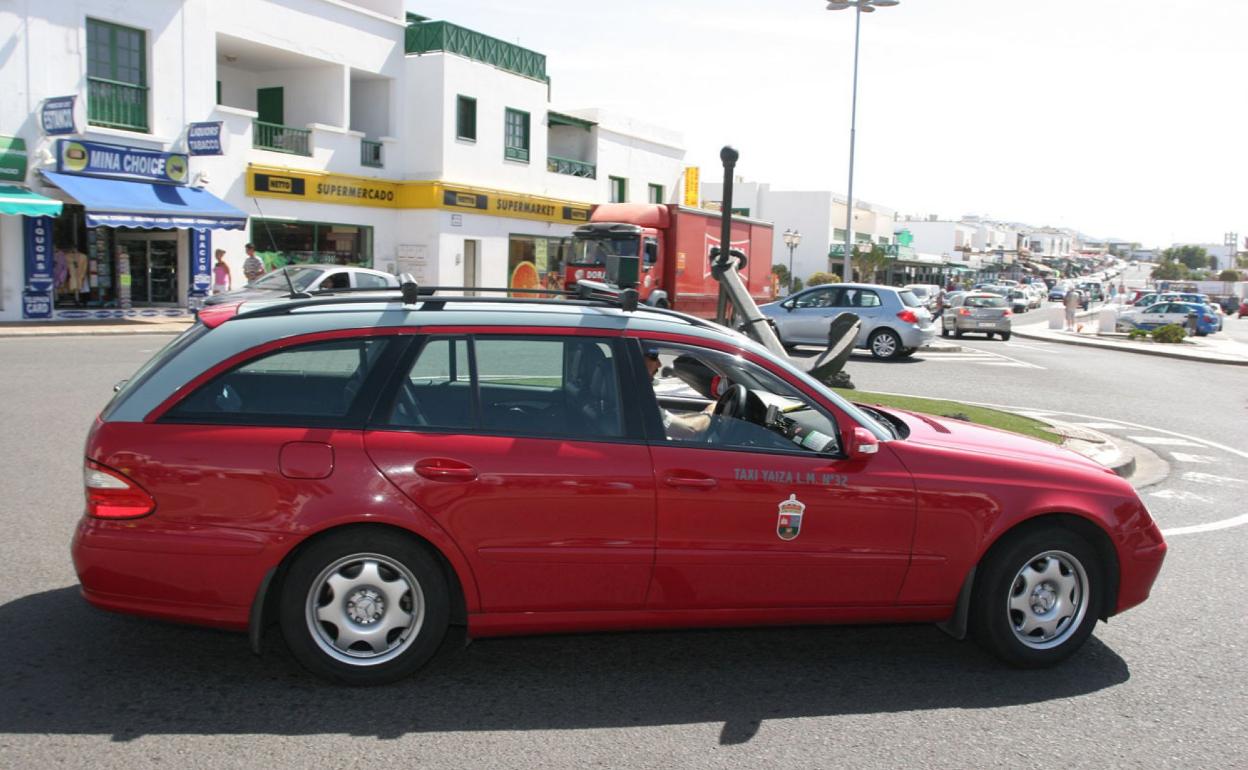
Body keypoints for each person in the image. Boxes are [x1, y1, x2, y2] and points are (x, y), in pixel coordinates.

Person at [644, 347, 714, 440]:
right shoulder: (636, 399)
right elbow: (689, 429)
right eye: (653, 357)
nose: (659, 364)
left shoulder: (628, 392)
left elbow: (669, 419)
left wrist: (701, 415)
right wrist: (711, 413)